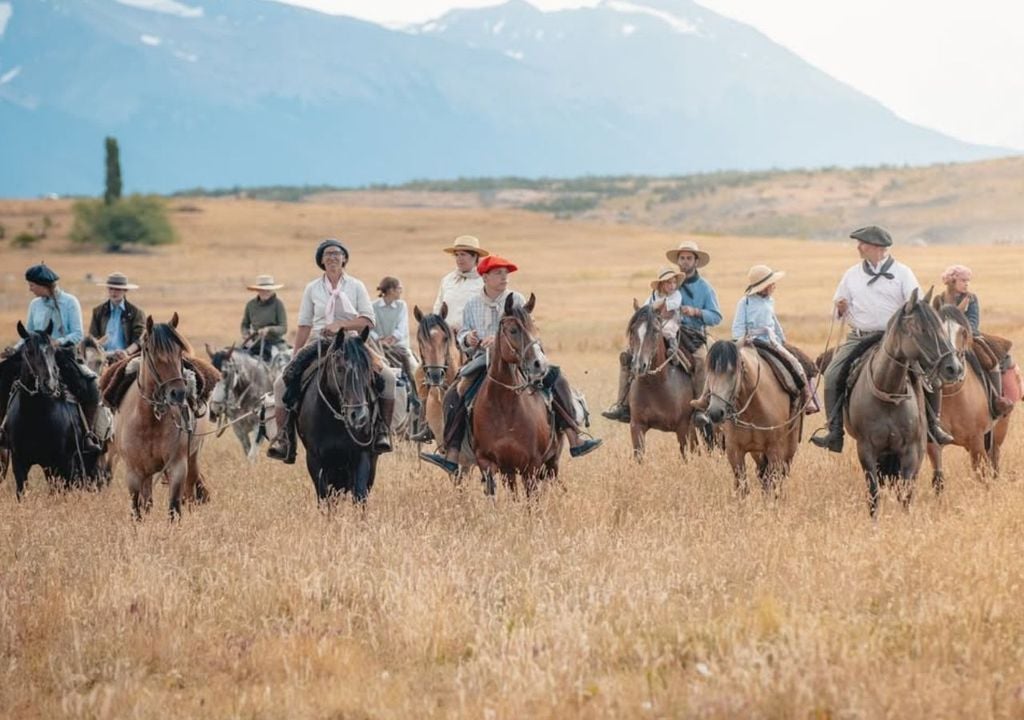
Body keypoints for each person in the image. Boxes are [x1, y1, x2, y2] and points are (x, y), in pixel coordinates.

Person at [420, 255, 602, 474]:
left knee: (556, 378)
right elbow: (464, 334)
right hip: (482, 360)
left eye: (506, 273)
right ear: (484, 277)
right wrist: (468, 339)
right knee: (454, 393)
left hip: (520, 358)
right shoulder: (472, 305)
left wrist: (499, 341)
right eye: (498, 273)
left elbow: (530, 331)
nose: (504, 277)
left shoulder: (517, 299)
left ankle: (574, 437)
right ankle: (451, 453)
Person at [810, 226, 954, 452]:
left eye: (862, 243)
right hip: (860, 337)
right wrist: (839, 308)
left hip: (895, 339)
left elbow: (917, 307)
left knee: (930, 376)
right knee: (832, 373)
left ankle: (933, 425)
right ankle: (834, 431)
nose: (858, 247)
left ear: (876, 248)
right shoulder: (851, 274)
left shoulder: (903, 273)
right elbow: (837, 307)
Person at [266, 239, 398, 463]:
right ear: (321, 261)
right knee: (281, 383)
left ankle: (382, 431)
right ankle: (284, 438)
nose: (332, 257)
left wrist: (341, 326)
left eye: (337, 253)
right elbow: (305, 324)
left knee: (388, 377)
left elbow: (368, 320)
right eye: (327, 254)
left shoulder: (356, 286)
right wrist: (296, 353)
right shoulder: (312, 288)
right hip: (320, 341)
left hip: (352, 342)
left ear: (345, 258)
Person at [603, 239, 722, 422]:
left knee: (701, 360)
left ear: (696, 261)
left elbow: (716, 317)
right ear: (678, 261)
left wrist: (696, 312)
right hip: (662, 329)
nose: (685, 261)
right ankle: (623, 404)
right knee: (629, 356)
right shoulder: (668, 281)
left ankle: (700, 409)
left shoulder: (705, 288)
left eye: (689, 258)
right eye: (682, 258)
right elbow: (652, 305)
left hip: (693, 334)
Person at [691, 264, 819, 423]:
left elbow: (774, 322)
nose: (774, 286)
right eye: (771, 283)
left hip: (771, 342)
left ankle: (807, 396)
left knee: (795, 363)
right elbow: (738, 327)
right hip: (750, 342)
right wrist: (743, 340)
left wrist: (781, 338)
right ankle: (705, 398)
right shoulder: (744, 303)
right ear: (762, 286)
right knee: (718, 368)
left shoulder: (770, 301)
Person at [0, 264, 102, 453]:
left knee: (90, 386)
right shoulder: (35, 305)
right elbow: (28, 334)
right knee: (3, 373)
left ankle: (88, 434)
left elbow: (78, 334)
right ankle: (3, 429)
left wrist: (57, 343)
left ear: (43, 285)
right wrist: (13, 350)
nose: (30, 288)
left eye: (32, 285)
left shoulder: (70, 302)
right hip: (35, 356)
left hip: (62, 355)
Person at [409, 235, 488, 442]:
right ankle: (428, 422)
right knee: (420, 373)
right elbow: (438, 308)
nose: (459, 259)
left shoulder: (482, 281)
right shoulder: (447, 280)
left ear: (474, 257)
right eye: (457, 255)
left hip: (470, 338)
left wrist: (465, 330)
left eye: (464, 255)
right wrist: (436, 326)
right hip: (444, 335)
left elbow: (483, 310)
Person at [934, 264, 1013, 417]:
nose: (966, 284)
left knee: (990, 362)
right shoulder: (939, 299)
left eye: (967, 281)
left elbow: (973, 324)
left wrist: (958, 323)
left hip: (966, 338)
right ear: (952, 281)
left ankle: (996, 400)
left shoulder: (971, 298)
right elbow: (935, 322)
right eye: (963, 280)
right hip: (944, 340)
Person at [372, 276, 420, 393]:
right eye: (399, 288)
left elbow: (402, 325)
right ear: (391, 290)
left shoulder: (401, 305)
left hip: (399, 346)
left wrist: (393, 338)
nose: (401, 291)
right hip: (378, 347)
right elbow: (369, 328)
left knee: (415, 369)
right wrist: (379, 339)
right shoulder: (373, 306)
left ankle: (416, 395)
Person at [88, 272, 145, 361]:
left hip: (126, 359)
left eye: (118, 289)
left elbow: (140, 340)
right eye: (111, 289)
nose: (113, 292)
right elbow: (92, 337)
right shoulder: (98, 311)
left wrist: (126, 352)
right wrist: (98, 344)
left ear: (125, 290)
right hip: (102, 358)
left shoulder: (136, 312)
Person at [240, 275, 288, 361]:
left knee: (283, 361)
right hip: (255, 342)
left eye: (268, 290)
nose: (265, 292)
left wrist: (269, 329)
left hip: (275, 342)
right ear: (258, 290)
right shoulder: (250, 305)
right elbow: (244, 325)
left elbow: (283, 328)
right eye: (262, 290)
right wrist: (246, 336)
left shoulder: (278, 304)